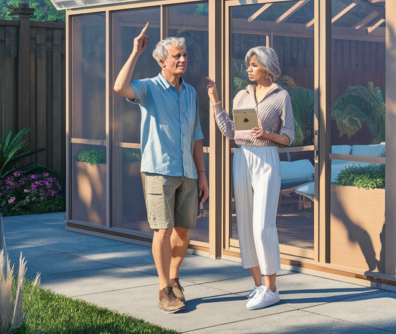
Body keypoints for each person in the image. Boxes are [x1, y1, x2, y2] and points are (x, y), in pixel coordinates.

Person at [113, 24, 209, 313]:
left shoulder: (190, 92)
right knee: (162, 231)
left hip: (188, 172)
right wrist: (134, 53)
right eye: (176, 56)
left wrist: (202, 174)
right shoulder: (148, 87)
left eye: (184, 55)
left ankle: (175, 277)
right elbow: (119, 87)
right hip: (158, 171)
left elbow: (196, 134)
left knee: (183, 230)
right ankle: (163, 289)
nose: (182, 60)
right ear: (162, 61)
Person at [205, 46, 294, 310]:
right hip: (241, 157)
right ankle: (258, 286)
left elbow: (288, 136)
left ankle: (272, 289)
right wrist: (214, 100)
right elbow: (230, 132)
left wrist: (267, 134)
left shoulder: (281, 96)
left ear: (266, 67)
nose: (249, 69)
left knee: (262, 225)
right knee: (244, 223)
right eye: (248, 65)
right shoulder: (241, 95)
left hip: (266, 158)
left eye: (253, 64)